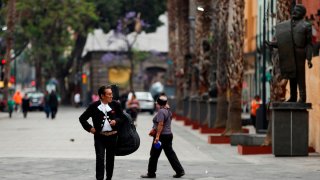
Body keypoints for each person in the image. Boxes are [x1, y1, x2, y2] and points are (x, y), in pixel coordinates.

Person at [266, 4, 313, 103]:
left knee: (300, 76)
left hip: (300, 53)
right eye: (294, 10)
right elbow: (282, 42)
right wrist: (272, 44)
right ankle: (293, 97)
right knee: (292, 75)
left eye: (297, 10)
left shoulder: (307, 26)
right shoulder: (287, 25)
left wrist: (309, 58)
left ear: (302, 13)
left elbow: (309, 44)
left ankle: (302, 97)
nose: (294, 12)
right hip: (289, 51)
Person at [79, 85, 124, 180]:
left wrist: (116, 121)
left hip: (113, 136)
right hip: (99, 137)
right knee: (100, 158)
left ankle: (109, 178)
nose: (111, 96)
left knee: (110, 159)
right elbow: (82, 118)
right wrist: (90, 128)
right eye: (109, 94)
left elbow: (122, 118)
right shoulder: (94, 106)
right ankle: (99, 178)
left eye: (112, 94)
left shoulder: (116, 104)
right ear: (102, 96)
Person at [141, 95, 185, 179]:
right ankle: (179, 171)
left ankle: (151, 173)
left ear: (159, 104)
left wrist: (157, 137)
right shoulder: (168, 110)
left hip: (161, 136)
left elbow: (161, 124)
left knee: (154, 154)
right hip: (168, 135)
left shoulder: (161, 111)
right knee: (170, 154)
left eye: (157, 103)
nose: (156, 105)